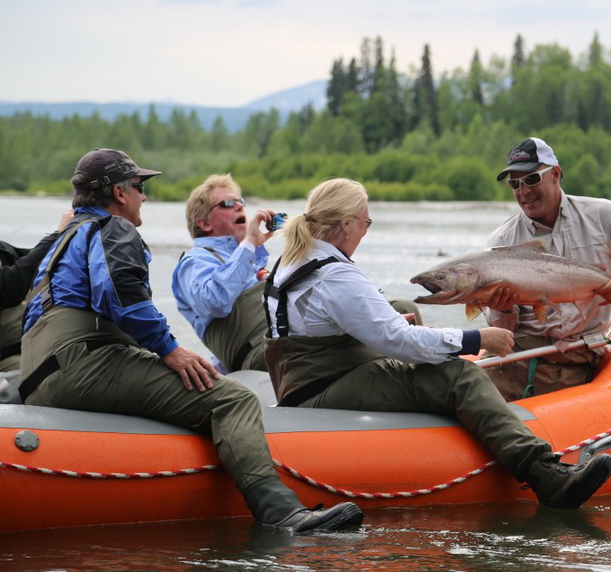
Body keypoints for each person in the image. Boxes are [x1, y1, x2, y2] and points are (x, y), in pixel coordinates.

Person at [18, 148, 363, 534]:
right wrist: (170, 349)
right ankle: (284, 514)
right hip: (82, 364)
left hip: (36, 372)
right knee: (233, 400)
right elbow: (122, 297)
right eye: (138, 186)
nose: (143, 196)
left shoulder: (60, 240)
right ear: (119, 193)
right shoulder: (114, 229)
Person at [262, 178, 611, 509]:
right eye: (366, 223)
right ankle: (545, 475)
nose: (365, 232)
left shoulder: (293, 260)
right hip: (325, 388)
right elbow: (399, 342)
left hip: (301, 383)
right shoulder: (337, 274)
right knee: (458, 376)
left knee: (401, 310)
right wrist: (476, 338)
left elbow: (320, 324)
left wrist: (387, 327)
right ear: (346, 225)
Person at [481, 137, 611, 401]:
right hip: (515, 360)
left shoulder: (604, 215)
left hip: (577, 359)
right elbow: (502, 331)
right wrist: (502, 308)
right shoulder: (501, 242)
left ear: (556, 174)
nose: (523, 191)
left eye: (531, 179)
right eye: (514, 183)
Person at [173, 174, 281, 373]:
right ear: (204, 223)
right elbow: (215, 303)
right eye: (228, 203)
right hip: (262, 355)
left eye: (241, 201)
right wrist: (249, 244)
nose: (239, 206)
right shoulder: (195, 261)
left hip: (280, 345)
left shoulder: (249, 259)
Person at [1, 210, 73, 402]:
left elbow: (26, 260)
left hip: (23, 349)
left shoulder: (4, 252)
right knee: (40, 380)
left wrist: (61, 238)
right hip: (8, 359)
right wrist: (58, 234)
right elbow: (10, 287)